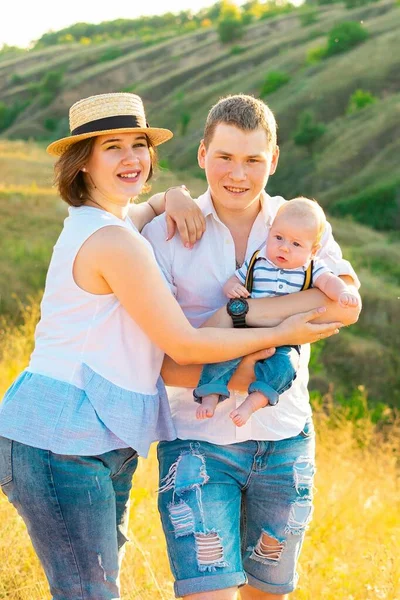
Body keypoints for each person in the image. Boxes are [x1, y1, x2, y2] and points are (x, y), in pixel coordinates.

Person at [0, 93, 339, 600]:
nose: (131, 157)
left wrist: (169, 196)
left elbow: (142, 210)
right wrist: (282, 334)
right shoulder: (115, 240)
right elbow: (181, 343)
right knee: (89, 593)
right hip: (61, 436)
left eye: (138, 144)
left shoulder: (120, 224)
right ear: (83, 162)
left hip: (100, 439)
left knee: (96, 588)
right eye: (111, 147)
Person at [143, 94, 361, 600]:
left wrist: (237, 315)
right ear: (202, 155)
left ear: (274, 160)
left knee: (269, 596)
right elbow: (163, 362)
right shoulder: (166, 235)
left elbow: (344, 307)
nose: (237, 174)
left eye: (253, 160)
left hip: (285, 441)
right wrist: (284, 321)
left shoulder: (301, 221)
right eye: (224, 157)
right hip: (197, 445)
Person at [194, 196, 360, 426]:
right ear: (270, 233)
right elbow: (234, 279)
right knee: (221, 356)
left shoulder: (312, 268)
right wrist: (233, 287)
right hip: (246, 331)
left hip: (287, 338)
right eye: (278, 237)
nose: (284, 247)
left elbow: (330, 283)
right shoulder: (258, 261)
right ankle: (210, 396)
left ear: (313, 250)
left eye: (296, 244)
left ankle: (254, 402)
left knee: (287, 366)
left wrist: (343, 293)